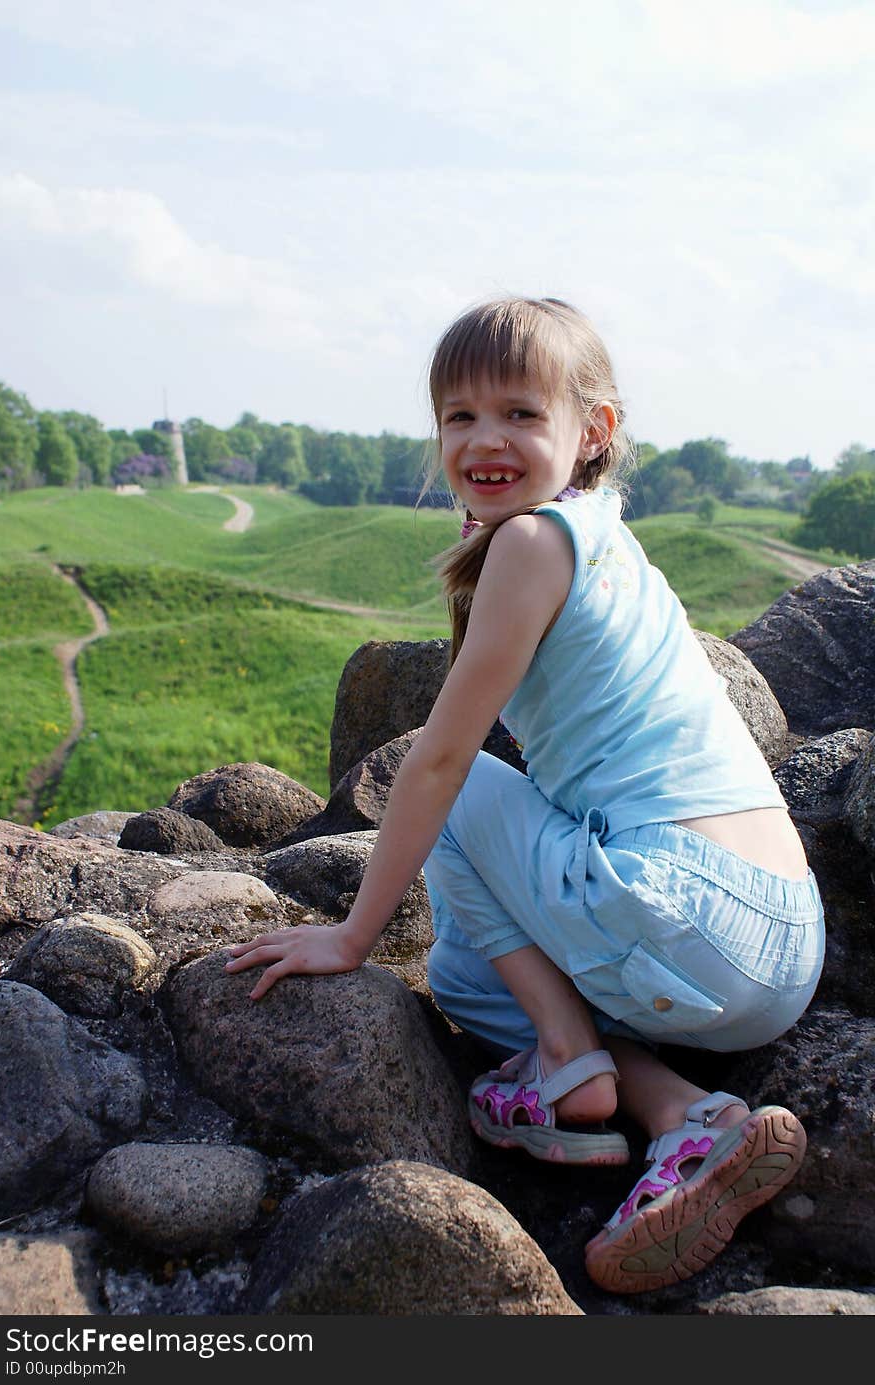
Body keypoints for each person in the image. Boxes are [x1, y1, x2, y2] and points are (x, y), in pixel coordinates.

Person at [225, 297, 825, 1293]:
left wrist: (351, 937)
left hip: (680, 913)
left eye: (518, 412)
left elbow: (442, 763)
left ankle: (566, 1060)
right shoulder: (611, 545)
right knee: (465, 976)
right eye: (458, 416)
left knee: (450, 788)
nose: (482, 438)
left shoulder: (531, 545)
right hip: (779, 950)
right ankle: (685, 1114)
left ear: (593, 431)